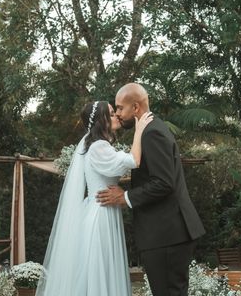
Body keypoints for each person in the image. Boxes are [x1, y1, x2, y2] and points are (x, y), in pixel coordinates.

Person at [97, 83, 206, 296]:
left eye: (120, 108)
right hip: (168, 234)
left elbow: (164, 183)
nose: (118, 114)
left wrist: (125, 197)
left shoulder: (152, 133)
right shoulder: (149, 129)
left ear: (136, 107)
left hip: (166, 235)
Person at [36, 100, 153, 296]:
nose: (116, 114)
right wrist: (139, 129)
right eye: (110, 112)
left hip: (104, 210)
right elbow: (134, 160)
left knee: (103, 270)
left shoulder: (100, 146)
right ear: (101, 120)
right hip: (101, 215)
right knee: (99, 271)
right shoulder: (99, 146)